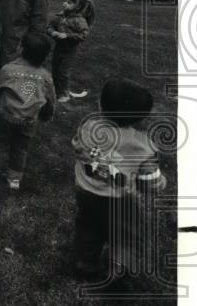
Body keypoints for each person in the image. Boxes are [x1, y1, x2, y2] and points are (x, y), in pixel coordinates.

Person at [70, 78, 165, 280]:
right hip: (120, 201)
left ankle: (85, 264)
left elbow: (77, 146)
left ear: (100, 105)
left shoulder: (88, 128)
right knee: (125, 235)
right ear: (140, 118)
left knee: (88, 227)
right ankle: (119, 270)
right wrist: (159, 183)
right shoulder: (143, 146)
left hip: (86, 193)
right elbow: (150, 181)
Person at [0, 30, 56, 191]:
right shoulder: (45, 76)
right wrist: (48, 113)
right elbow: (51, 98)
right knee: (20, 148)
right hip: (28, 121)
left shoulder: (9, 69)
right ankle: (14, 179)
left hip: (5, 115)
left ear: (21, 49)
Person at [48, 0, 94, 102]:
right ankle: (55, 90)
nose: (64, 3)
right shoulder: (59, 16)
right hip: (58, 48)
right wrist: (52, 32)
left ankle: (64, 94)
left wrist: (67, 35)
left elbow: (83, 35)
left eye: (69, 3)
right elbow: (49, 27)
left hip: (69, 51)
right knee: (55, 70)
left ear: (77, 8)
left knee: (63, 72)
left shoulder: (79, 20)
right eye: (65, 1)